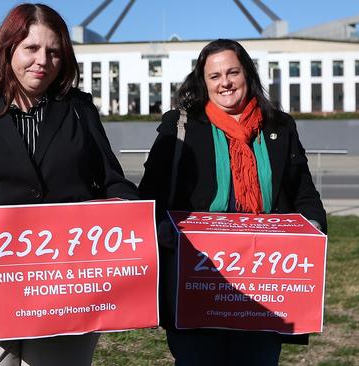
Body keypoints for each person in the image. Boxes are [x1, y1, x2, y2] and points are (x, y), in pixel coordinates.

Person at [0, 4, 137, 365]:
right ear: (7, 49)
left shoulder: (79, 109)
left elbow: (113, 182)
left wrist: (127, 210)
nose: (42, 61)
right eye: (31, 49)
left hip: (65, 288)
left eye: (54, 52)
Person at [138, 39, 327, 365]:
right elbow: (150, 194)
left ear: (247, 74)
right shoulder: (181, 126)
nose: (224, 82)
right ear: (203, 82)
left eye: (232, 72)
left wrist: (310, 229)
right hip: (197, 280)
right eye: (214, 76)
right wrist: (158, 230)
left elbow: (304, 194)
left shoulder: (280, 127)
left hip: (264, 282)